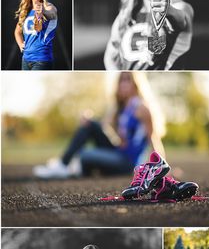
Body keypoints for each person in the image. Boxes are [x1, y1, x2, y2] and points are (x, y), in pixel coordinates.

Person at [33, 71, 166, 179]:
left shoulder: (142, 108)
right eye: (121, 80)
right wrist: (88, 119)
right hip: (118, 152)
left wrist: (162, 169)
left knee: (85, 154)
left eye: (127, 80)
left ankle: (65, 166)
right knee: (90, 126)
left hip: (128, 163)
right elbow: (102, 126)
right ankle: (65, 165)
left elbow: (153, 139)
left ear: (136, 84)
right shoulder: (122, 109)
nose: (123, 84)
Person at [104, 0, 194, 70]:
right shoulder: (125, 16)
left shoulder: (179, 7)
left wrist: (168, 10)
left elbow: (181, 20)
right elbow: (110, 58)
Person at [14, 0, 57, 70]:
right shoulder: (25, 10)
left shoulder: (49, 7)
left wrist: (43, 12)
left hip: (42, 60)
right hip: (25, 60)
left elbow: (52, 14)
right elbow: (17, 32)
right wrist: (21, 45)